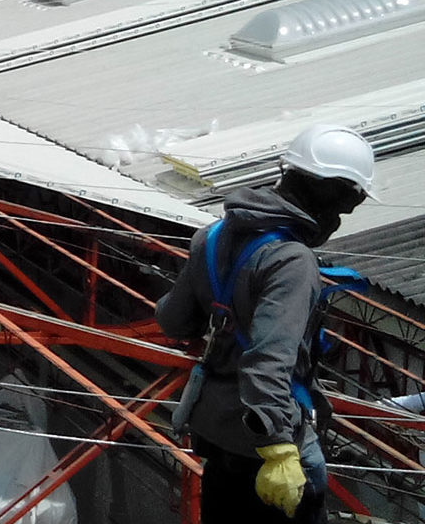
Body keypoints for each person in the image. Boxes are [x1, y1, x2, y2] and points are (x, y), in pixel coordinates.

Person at [156, 122, 378, 523]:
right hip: (266, 445)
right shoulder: (291, 261)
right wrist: (277, 446)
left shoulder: (212, 234)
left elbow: (173, 320)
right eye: (348, 204)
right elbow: (268, 361)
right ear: (332, 194)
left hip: (214, 432)